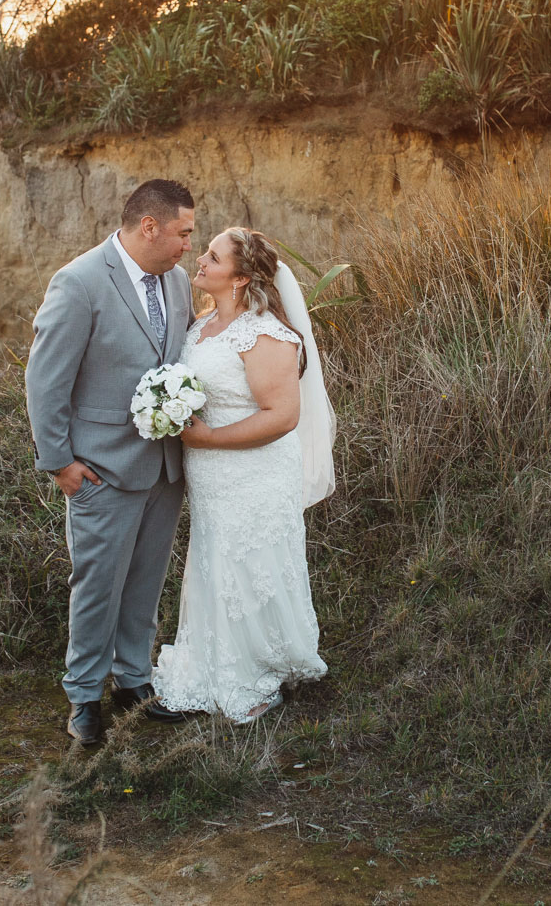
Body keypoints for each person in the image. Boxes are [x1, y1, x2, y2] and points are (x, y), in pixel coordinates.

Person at [25, 178, 199, 747]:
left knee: (146, 581)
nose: (187, 247)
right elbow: (46, 380)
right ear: (149, 226)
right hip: (99, 469)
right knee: (97, 585)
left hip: (165, 467)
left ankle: (133, 681)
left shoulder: (175, 282)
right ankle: (83, 698)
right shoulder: (78, 282)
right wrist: (60, 464)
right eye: (182, 233)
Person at [151, 226, 333, 722]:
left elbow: (282, 416)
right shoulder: (202, 327)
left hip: (253, 470)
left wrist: (209, 439)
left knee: (249, 563)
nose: (200, 260)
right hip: (210, 475)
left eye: (213, 256)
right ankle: (211, 661)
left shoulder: (266, 333)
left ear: (241, 278)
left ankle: (255, 669)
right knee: (215, 561)